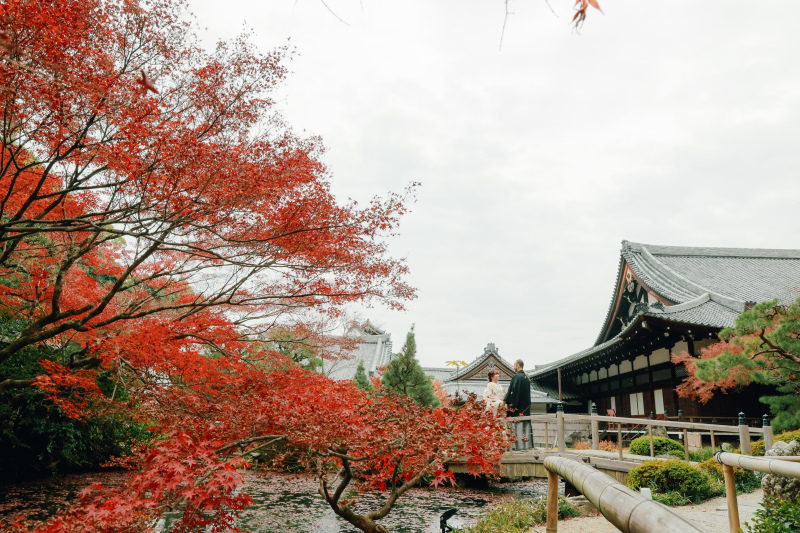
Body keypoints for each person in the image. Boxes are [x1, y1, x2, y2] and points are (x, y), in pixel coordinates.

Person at [503, 359, 532, 451]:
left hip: (517, 409)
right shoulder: (526, 378)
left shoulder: (516, 377)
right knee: (526, 427)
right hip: (526, 408)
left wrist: (509, 404)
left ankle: (518, 447)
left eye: (514, 365)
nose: (513, 367)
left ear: (517, 366)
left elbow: (513, 392)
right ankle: (527, 446)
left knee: (517, 427)